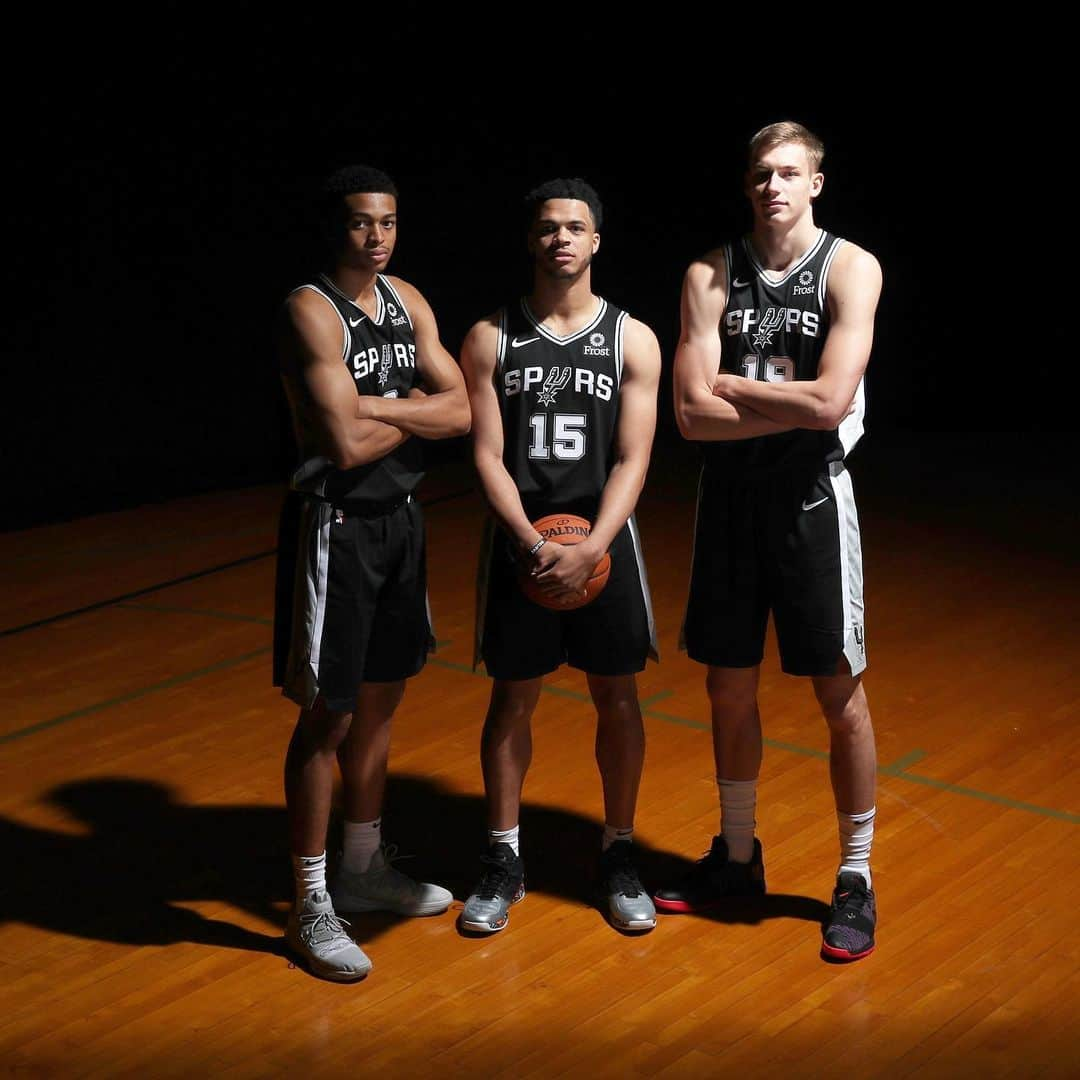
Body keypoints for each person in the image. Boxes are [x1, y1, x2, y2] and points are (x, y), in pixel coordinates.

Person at [658, 122, 883, 962]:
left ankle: (854, 876)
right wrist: (775, 403)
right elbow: (688, 416)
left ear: (817, 182)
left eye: (790, 173)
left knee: (838, 693)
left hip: (813, 499)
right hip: (729, 503)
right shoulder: (709, 274)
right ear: (746, 184)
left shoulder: (851, 268)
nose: (774, 186)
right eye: (761, 174)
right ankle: (739, 854)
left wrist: (739, 391)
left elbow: (830, 406)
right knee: (728, 686)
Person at [274, 165, 471, 980]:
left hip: (401, 523)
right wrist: (413, 413)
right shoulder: (307, 309)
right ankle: (311, 902)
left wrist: (378, 406)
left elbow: (462, 409)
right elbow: (342, 448)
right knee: (330, 715)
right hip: (336, 527)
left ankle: (362, 867)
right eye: (362, 223)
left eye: (388, 222)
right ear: (336, 228)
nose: (378, 237)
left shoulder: (409, 300)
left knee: (384, 703)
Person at [459, 178, 661, 934]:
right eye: (548, 228)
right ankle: (503, 857)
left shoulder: (631, 338)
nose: (562, 239)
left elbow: (634, 460)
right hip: (523, 545)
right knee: (512, 698)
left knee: (618, 696)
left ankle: (618, 852)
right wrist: (534, 542)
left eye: (576, 226)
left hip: (604, 543)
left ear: (597, 240)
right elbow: (485, 455)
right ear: (530, 240)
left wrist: (593, 546)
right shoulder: (490, 336)